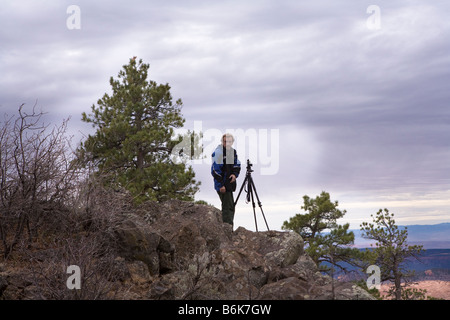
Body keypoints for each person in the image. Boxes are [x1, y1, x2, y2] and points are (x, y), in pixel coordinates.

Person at [211, 133, 241, 227]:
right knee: (227, 207)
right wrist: (221, 185)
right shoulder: (218, 152)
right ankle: (227, 229)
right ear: (222, 141)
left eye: (229, 141)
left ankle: (228, 228)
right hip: (222, 184)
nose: (227, 143)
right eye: (225, 141)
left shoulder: (232, 152)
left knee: (230, 206)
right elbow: (215, 171)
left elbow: (237, 164)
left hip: (229, 184)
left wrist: (234, 175)